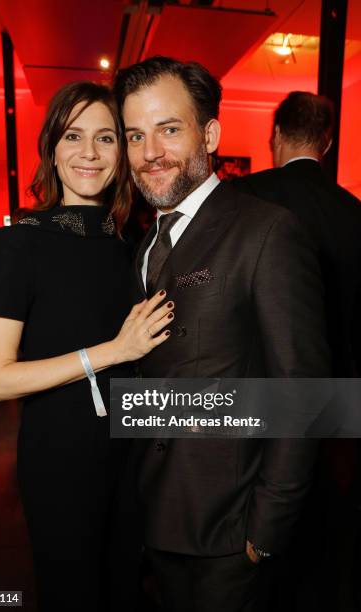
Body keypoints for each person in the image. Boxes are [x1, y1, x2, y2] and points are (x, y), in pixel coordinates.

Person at [113, 57, 331, 612]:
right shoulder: (143, 246)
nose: (149, 153)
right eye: (136, 134)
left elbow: (303, 391)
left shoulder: (267, 232)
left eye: (169, 129)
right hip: (158, 517)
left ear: (209, 133)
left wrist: (267, 530)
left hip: (232, 533)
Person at [0, 81, 173, 612]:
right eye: (73, 136)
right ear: (52, 150)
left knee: (126, 592)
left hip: (131, 458)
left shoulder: (132, 247)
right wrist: (110, 351)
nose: (88, 153)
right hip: (61, 461)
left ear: (122, 152)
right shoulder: (20, 244)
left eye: (105, 138)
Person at [233, 91, 361, 612]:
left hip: (258, 390)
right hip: (339, 394)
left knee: (261, 522)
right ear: (326, 143)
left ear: (275, 137)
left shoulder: (243, 199)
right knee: (328, 525)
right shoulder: (354, 212)